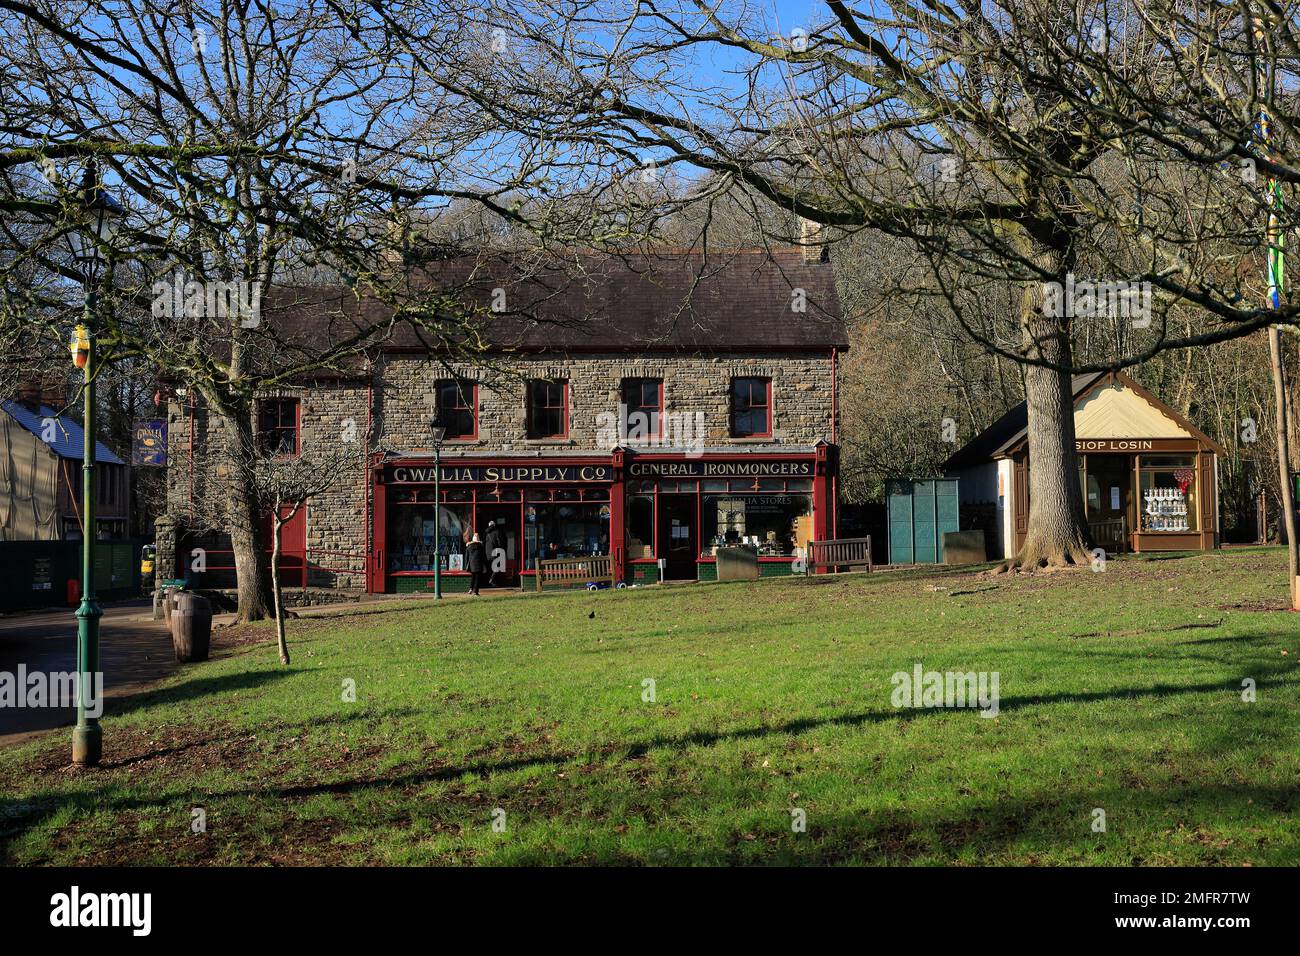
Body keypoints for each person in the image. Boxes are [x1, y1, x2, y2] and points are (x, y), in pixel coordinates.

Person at [484, 519, 506, 587]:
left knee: (491, 568)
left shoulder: (486, 533)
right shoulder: (497, 532)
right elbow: (500, 542)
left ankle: (492, 582)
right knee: (498, 567)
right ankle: (492, 579)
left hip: (487, 553)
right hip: (495, 552)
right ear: (494, 525)